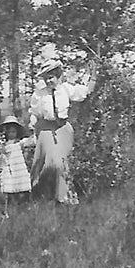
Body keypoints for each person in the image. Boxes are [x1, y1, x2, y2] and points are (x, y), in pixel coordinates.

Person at [27, 57, 97, 205]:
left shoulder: (66, 88)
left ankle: (63, 197)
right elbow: (35, 112)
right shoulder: (40, 94)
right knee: (44, 163)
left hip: (63, 130)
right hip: (46, 130)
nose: (48, 81)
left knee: (61, 164)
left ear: (58, 76)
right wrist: (33, 121)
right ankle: (36, 193)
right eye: (46, 78)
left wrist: (93, 76)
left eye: (51, 77)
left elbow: (84, 92)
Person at [0, 115, 36, 215]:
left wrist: (34, 130)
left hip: (18, 168)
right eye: (9, 132)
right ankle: (11, 206)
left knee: (22, 186)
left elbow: (31, 141)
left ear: (17, 132)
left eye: (13, 132)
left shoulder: (19, 143)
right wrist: (0, 153)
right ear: (5, 133)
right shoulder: (2, 145)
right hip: (8, 169)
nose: (11, 134)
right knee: (10, 187)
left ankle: (25, 206)